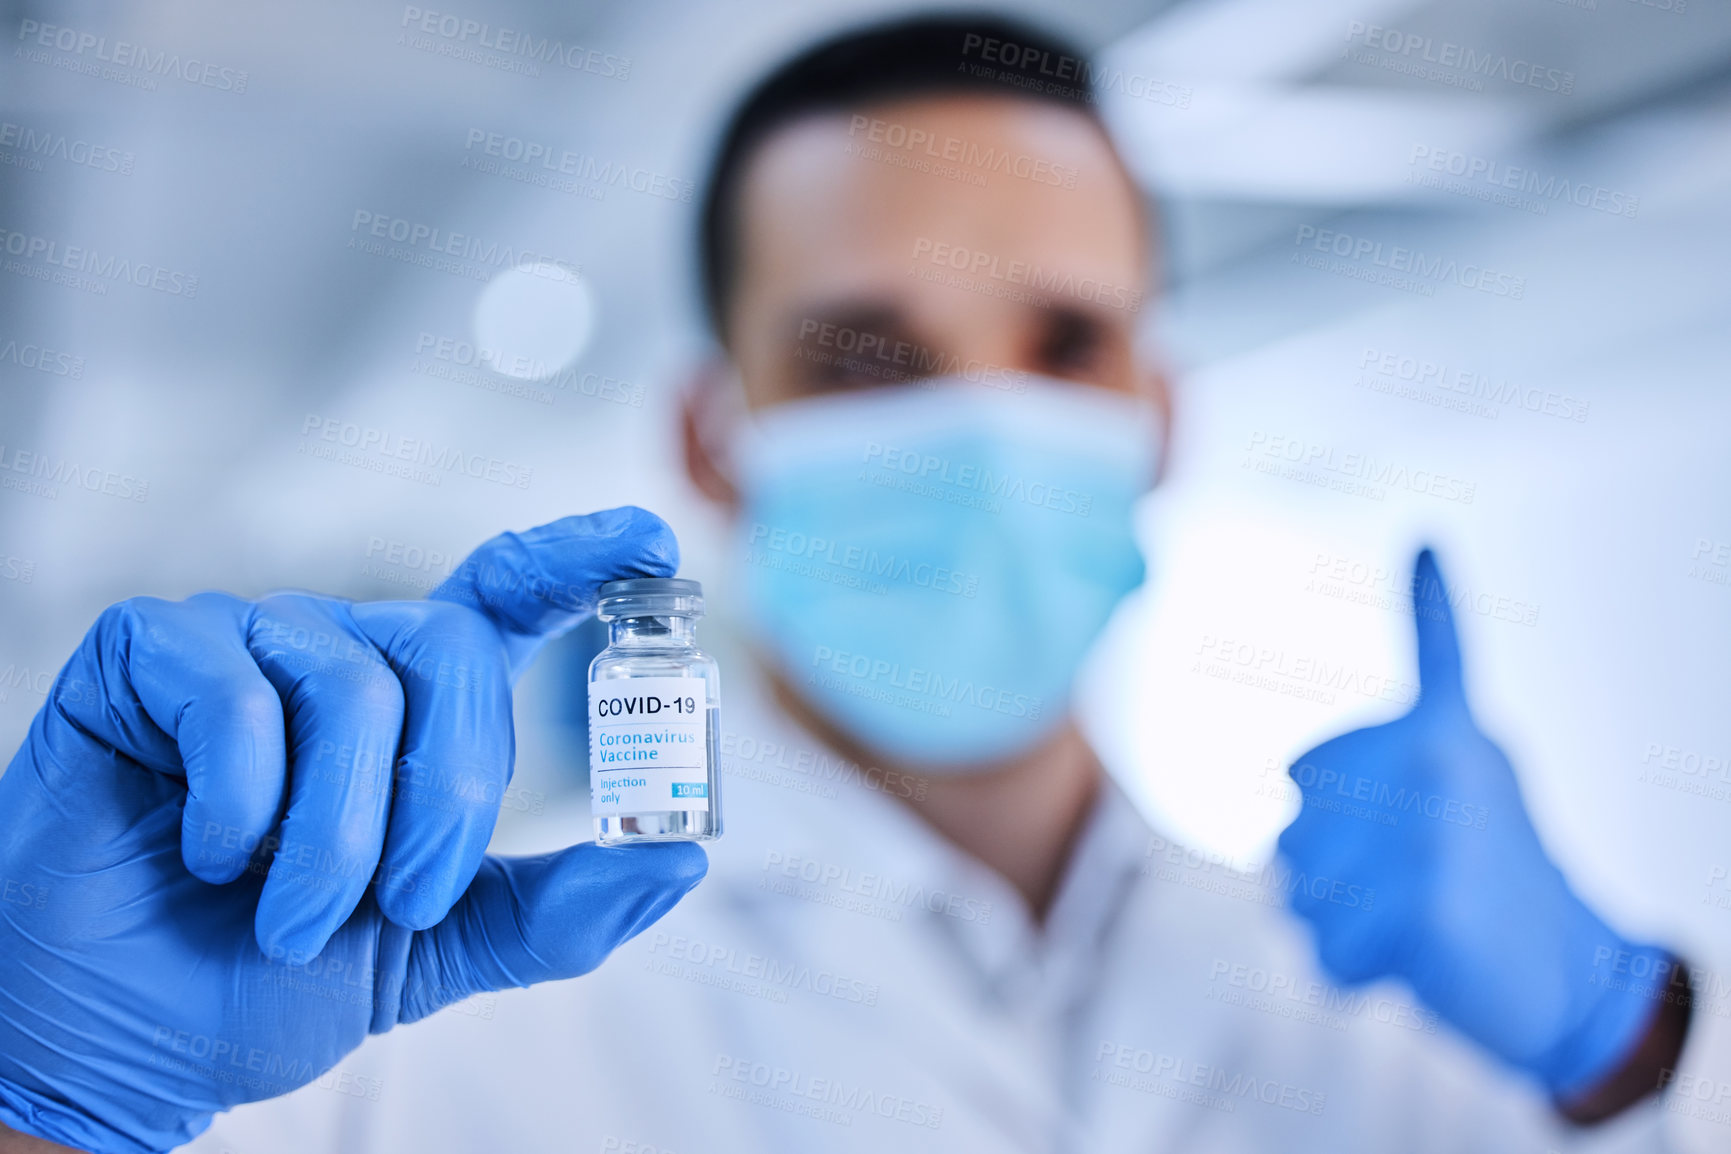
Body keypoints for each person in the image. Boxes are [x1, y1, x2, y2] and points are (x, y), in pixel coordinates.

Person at [0, 14, 1723, 1154]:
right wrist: (40, 1105)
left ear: (1159, 409)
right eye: (866, 354)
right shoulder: (389, 1025)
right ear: (714, 430)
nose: (982, 425)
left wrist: (1623, 1048)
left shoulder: (1423, 1018)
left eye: (1064, 341)